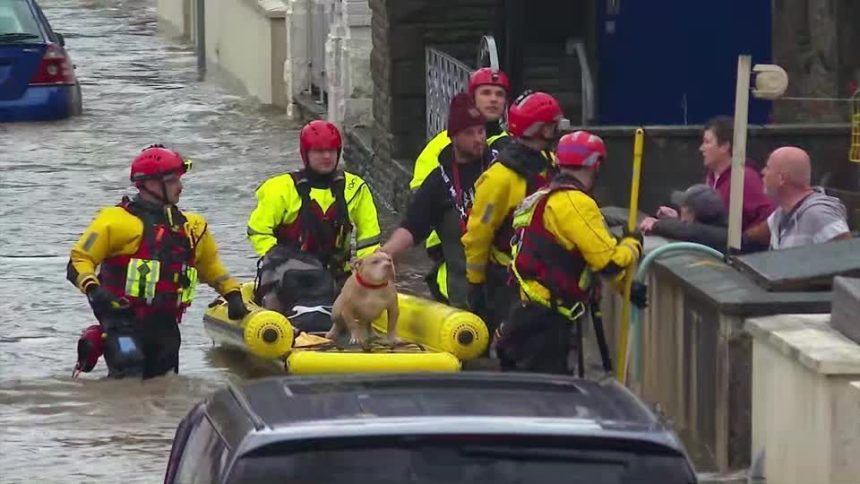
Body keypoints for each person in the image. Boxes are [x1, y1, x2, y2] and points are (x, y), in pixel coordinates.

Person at [68, 144, 248, 379]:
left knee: (165, 386)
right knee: (128, 371)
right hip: (122, 321)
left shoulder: (192, 227)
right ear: (150, 183)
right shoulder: (114, 221)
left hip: (165, 326)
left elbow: (211, 268)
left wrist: (232, 293)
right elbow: (79, 260)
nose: (180, 187)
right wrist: (94, 289)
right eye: (173, 180)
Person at [496, 131, 643, 374]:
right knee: (549, 404)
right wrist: (632, 244)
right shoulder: (576, 203)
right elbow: (608, 263)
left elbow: (569, 256)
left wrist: (625, 287)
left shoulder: (538, 198)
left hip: (522, 316)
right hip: (546, 325)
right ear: (596, 165)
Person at [462, 90, 564, 337]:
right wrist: (475, 283)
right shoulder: (501, 177)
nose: (557, 131)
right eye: (552, 127)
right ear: (541, 130)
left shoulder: (550, 163)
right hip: (508, 282)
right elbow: (478, 233)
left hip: (549, 279)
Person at [381, 93, 494, 308]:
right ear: (452, 136)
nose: (479, 139)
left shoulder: (500, 165)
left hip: (504, 290)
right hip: (464, 294)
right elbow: (413, 226)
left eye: (481, 131)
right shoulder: (438, 182)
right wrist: (385, 253)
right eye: (470, 133)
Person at [409, 68, 512, 301]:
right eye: (486, 93)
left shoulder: (510, 146)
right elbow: (421, 196)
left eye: (499, 94)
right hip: (450, 249)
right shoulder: (441, 144)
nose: (493, 99)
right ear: (472, 98)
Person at [247, 120, 381, 284]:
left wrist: (368, 272)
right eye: (319, 151)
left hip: (337, 275)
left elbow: (369, 240)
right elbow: (258, 231)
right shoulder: (280, 189)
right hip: (290, 275)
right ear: (306, 154)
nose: (327, 156)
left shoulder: (355, 188)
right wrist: (279, 258)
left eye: (331, 150)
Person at [655, 116, 774, 230]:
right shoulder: (711, 177)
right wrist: (679, 219)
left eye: (707, 142)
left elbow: (769, 218)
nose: (701, 148)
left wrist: (745, 240)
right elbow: (708, 226)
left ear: (724, 146)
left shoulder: (745, 178)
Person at [746, 146, 851, 249]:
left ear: (781, 178)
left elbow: (847, 256)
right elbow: (757, 235)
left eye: (768, 167)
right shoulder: (781, 213)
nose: (762, 172)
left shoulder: (819, 214)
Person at [640, 184, 766, 253]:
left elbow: (692, 231)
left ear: (692, 213)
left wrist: (657, 225)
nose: (680, 208)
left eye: (684, 207)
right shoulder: (718, 229)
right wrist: (677, 218)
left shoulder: (720, 236)